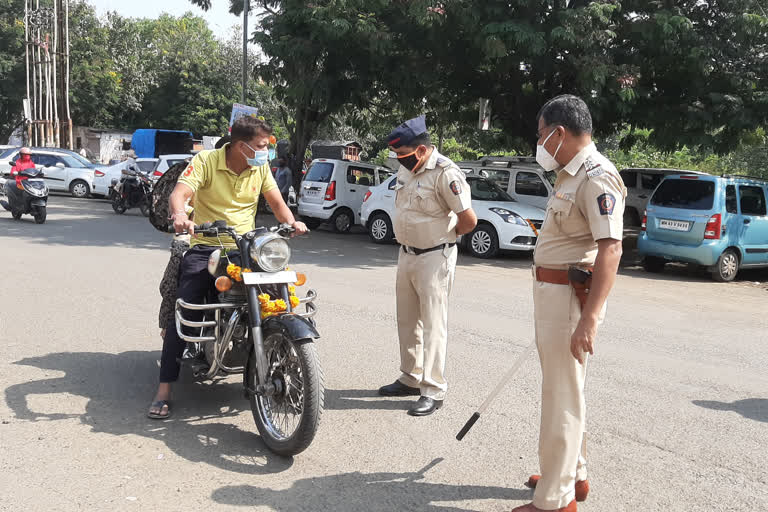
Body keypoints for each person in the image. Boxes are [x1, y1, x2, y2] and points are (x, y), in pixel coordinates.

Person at [147, 116, 308, 419]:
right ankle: (164, 388)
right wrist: (180, 214)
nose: (266, 152)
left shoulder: (259, 168)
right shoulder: (206, 160)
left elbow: (275, 202)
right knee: (187, 306)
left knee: (278, 298)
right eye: (261, 146)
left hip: (247, 247)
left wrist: (291, 222)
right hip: (207, 244)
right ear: (240, 145)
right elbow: (179, 193)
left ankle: (289, 369)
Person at [512, 95, 626, 512]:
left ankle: (555, 501)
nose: (539, 143)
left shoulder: (596, 176)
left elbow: (611, 249)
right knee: (565, 391)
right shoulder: (570, 174)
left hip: (569, 300)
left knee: (561, 396)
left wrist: (590, 320)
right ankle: (571, 473)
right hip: (554, 295)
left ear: (559, 133)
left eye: (541, 135)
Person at [377, 115, 477, 417]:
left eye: (403, 155)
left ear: (421, 150)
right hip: (406, 254)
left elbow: (468, 220)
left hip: (435, 256)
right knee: (407, 320)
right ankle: (410, 377)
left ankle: (433, 389)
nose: (400, 161)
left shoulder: (446, 173)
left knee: (433, 323)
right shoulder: (408, 171)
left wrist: (443, 239)